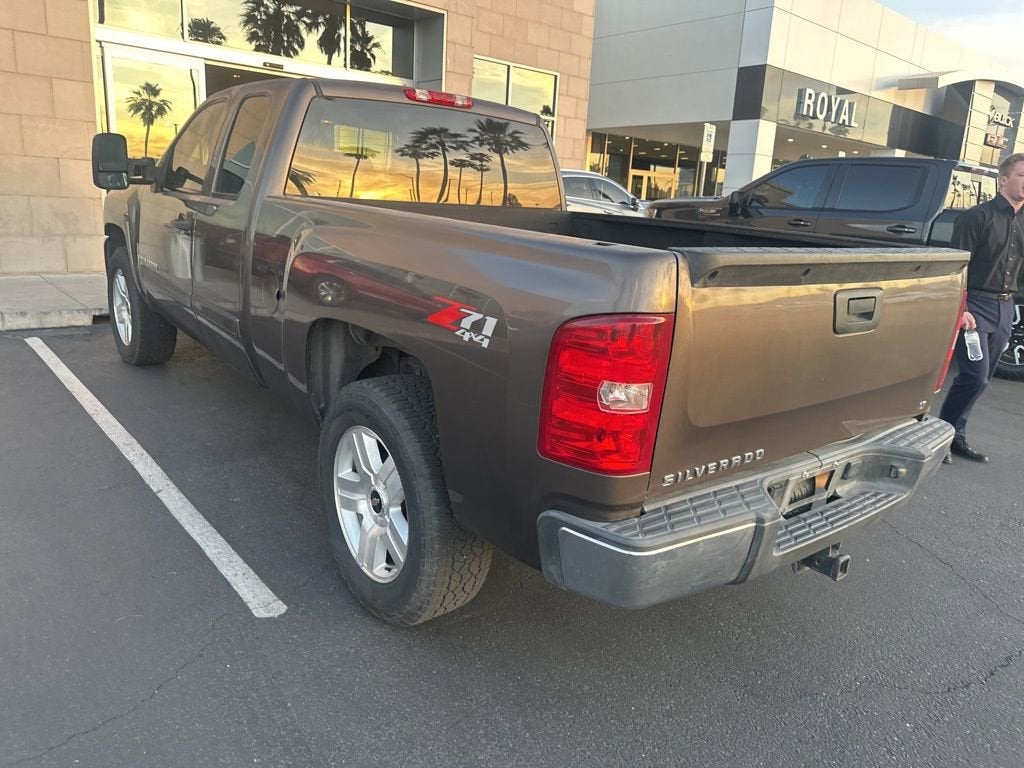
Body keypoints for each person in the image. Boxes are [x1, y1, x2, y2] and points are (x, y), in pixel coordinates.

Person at [939, 152, 1024, 463]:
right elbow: (957, 268)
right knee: (974, 376)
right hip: (975, 306)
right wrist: (960, 308)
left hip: (1004, 308)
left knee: (982, 378)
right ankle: (942, 437)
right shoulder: (976, 217)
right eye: (1022, 175)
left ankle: (956, 436)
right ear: (1003, 180)